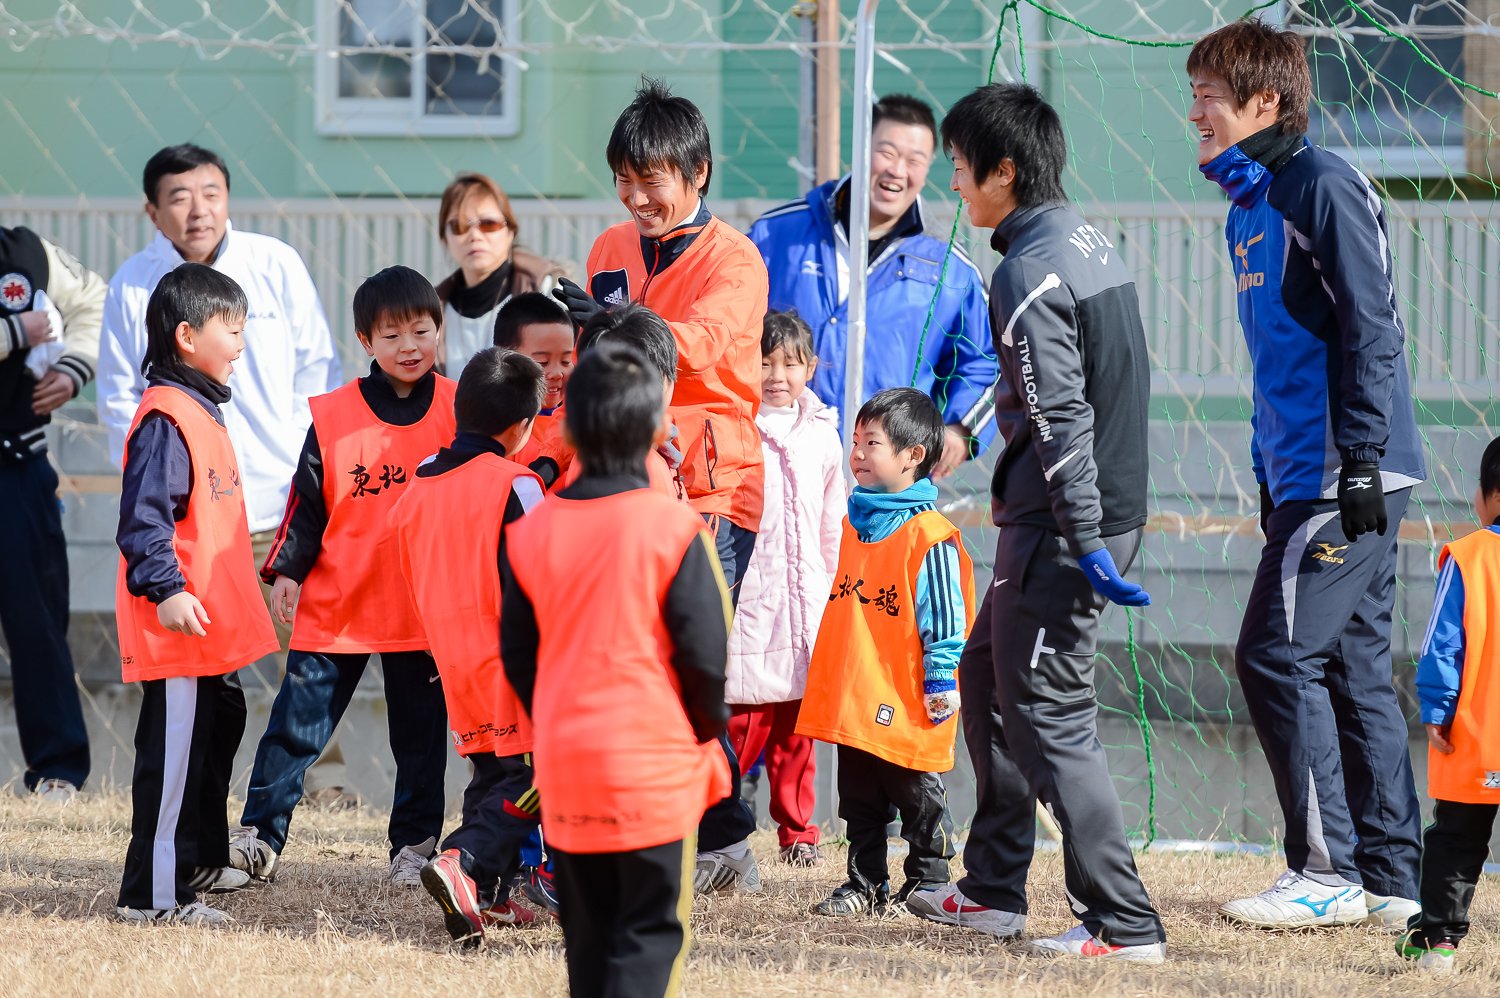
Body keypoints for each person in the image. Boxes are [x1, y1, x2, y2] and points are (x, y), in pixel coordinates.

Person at [905, 82, 1167, 963]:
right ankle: (991, 890)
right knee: (983, 678)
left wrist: (1086, 540)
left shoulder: (1026, 269)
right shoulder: (1081, 239)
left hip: (1066, 527)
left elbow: (1061, 416)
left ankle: (1123, 924)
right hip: (1071, 518)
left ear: (1005, 171)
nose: (954, 188)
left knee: (1049, 712)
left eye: (960, 170)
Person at [1189, 19, 1426, 930]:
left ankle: (1324, 869)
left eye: (1210, 96)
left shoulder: (1322, 184)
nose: (1196, 115)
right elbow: (1275, 359)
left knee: (1276, 653)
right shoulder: (1249, 206)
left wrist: (1362, 457)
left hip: (1346, 471)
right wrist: (1264, 474)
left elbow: (1373, 326)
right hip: (1302, 475)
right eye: (1195, 96)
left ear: (1267, 103)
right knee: (1355, 669)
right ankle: (1391, 880)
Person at [552, 77, 767, 894]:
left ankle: (725, 840)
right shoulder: (609, 248)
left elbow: (704, 345)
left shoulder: (736, 259)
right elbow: (604, 352)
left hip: (712, 485)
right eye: (625, 177)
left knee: (690, 662)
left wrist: (620, 327)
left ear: (699, 172)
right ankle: (657, 828)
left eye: (655, 177)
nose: (638, 195)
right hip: (626, 480)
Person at [96, 143, 353, 808]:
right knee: (206, 665)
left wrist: (302, 473)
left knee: (307, 654)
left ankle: (323, 787)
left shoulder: (275, 264)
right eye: (178, 197)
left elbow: (316, 371)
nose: (197, 208)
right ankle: (203, 795)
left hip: (274, 498)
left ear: (228, 197)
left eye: (209, 192)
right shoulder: (132, 282)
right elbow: (122, 400)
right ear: (154, 212)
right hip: (192, 519)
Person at [501, 341, 732, 998]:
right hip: (654, 765)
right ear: (658, 426)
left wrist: (555, 717)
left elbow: (518, 653)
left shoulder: (533, 531)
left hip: (567, 763)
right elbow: (706, 658)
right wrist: (703, 730)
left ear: (569, 428)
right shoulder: (675, 528)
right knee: (649, 934)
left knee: (589, 937)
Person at [229, 266, 454, 886]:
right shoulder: (334, 414)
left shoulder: (463, 409)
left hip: (424, 605)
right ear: (365, 342)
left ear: (440, 329)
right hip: (341, 598)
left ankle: (415, 848)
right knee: (296, 725)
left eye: (421, 330)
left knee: (420, 740)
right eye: (391, 336)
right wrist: (286, 572)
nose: (409, 346)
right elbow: (308, 499)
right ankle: (258, 839)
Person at [114, 263, 278, 923]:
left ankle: (202, 860)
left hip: (207, 633)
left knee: (217, 732)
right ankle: (152, 899)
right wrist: (167, 589)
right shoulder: (166, 417)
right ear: (188, 335)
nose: (240, 344)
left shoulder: (198, 409)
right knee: (173, 765)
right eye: (230, 329)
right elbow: (144, 520)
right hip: (179, 628)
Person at [747, 94, 998, 472]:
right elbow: (730, 336)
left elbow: (986, 361)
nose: (898, 170)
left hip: (888, 484)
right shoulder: (776, 236)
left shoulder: (948, 270)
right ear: (861, 151)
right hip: (778, 469)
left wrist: (962, 427)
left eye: (915, 160)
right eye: (887, 152)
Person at [393, 347, 549, 942]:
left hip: (451, 658)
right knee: (542, 774)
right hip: (513, 659)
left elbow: (409, 572)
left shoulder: (419, 486)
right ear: (523, 428)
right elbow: (542, 577)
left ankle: (488, 894)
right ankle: (467, 859)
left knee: (493, 769)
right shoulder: (518, 483)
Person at [795, 387, 971, 915]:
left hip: (905, 694)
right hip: (857, 692)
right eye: (855, 443)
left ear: (913, 456)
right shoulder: (855, 523)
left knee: (915, 789)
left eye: (872, 443)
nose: (857, 456)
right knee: (860, 799)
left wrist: (941, 679)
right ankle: (864, 883)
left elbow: (946, 618)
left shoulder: (930, 534)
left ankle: (928, 880)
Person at [725, 311, 843, 867]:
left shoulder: (822, 433)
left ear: (810, 368)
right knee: (741, 725)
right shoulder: (736, 425)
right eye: (764, 362)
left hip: (805, 604)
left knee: (798, 733)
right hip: (752, 601)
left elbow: (831, 521)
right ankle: (713, 826)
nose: (776, 375)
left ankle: (798, 833)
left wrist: (834, 588)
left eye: (789, 364)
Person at [0, 225, 105, 802]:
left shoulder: (25, 252)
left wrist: (72, 369)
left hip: (20, 467)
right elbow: (23, 328)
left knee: (37, 621)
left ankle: (58, 771)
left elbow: (96, 299)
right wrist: (16, 330)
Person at [1398, 435, 1500, 975]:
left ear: (1491, 497)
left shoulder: (1467, 555)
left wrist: (1437, 710)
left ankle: (1439, 943)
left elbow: (1443, 643)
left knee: (1457, 840)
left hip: (1478, 735)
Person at [435, 172, 568, 374]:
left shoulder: (547, 289)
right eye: (459, 226)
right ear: (444, 237)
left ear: (510, 231)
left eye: (489, 224)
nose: (474, 236)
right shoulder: (434, 310)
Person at [493, 291, 574, 481]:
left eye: (566, 361)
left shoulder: (582, 422)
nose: (556, 373)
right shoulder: (492, 428)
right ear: (504, 359)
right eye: (543, 362)